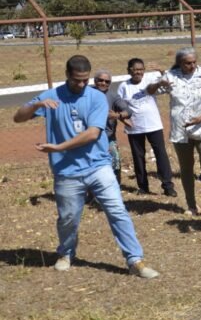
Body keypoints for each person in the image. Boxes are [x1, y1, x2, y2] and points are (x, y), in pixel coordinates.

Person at [13, 55, 159, 278]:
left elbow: (92, 134)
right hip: (67, 171)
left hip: (98, 167)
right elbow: (18, 118)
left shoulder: (96, 98)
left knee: (117, 211)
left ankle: (135, 259)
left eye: (84, 80)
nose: (81, 85)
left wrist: (59, 147)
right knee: (68, 218)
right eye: (76, 81)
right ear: (67, 75)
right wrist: (37, 105)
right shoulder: (52, 96)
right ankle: (66, 253)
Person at [147, 47, 201, 222]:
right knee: (186, 169)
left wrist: (200, 118)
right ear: (180, 63)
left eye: (194, 62)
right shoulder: (171, 77)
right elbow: (150, 91)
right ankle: (191, 206)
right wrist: (158, 84)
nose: (192, 65)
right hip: (181, 131)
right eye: (188, 63)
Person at [117, 58, 177, 197]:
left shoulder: (150, 79)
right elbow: (119, 104)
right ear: (129, 71)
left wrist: (162, 71)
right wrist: (123, 120)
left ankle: (168, 186)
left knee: (160, 154)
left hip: (153, 124)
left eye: (141, 69)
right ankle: (143, 186)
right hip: (135, 127)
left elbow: (168, 83)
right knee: (138, 156)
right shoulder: (124, 86)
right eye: (135, 70)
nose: (138, 72)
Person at [92, 69, 131, 185]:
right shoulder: (87, 94)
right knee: (91, 167)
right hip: (90, 138)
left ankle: (115, 189)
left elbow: (128, 111)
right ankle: (91, 193)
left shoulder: (113, 97)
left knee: (115, 164)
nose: (103, 83)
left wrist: (117, 115)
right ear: (95, 81)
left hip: (109, 139)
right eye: (100, 80)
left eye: (107, 81)